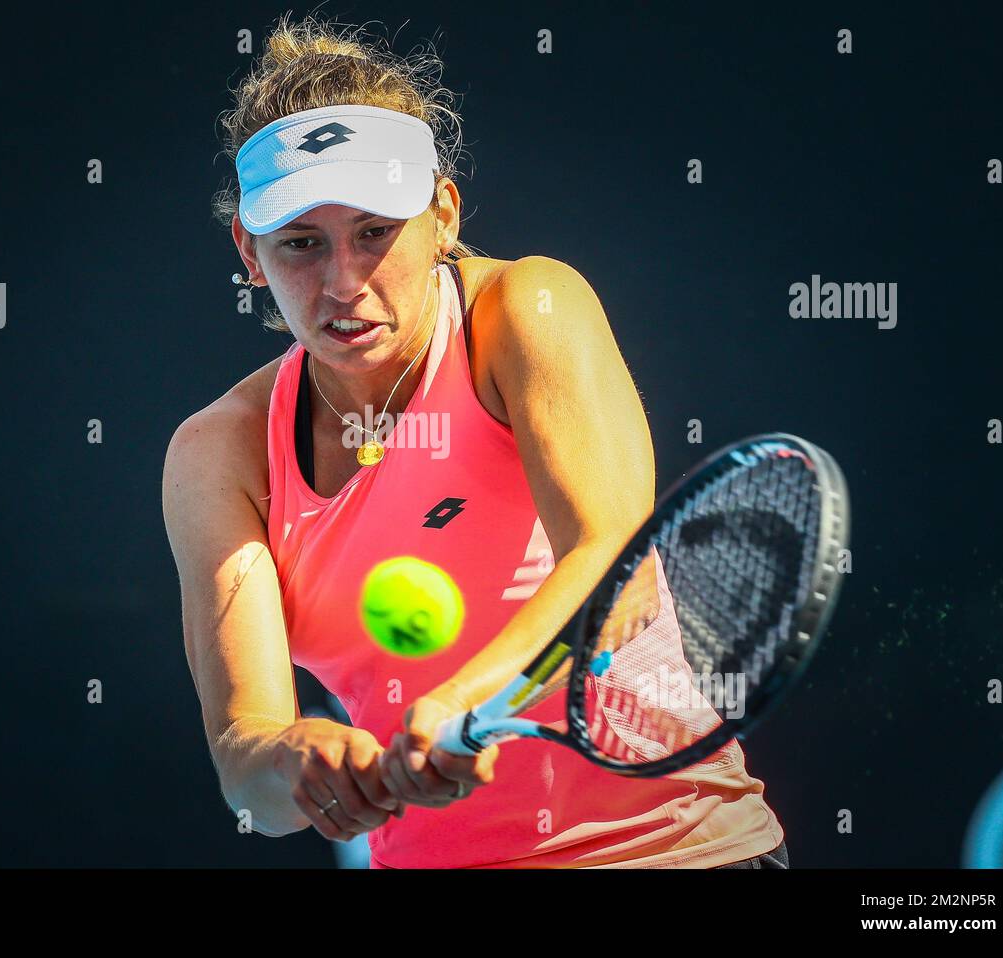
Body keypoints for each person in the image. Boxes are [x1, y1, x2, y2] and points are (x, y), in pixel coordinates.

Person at [163, 14, 788, 868]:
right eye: (302, 244)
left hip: (676, 853)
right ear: (249, 248)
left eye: (376, 232)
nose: (342, 282)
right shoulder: (217, 453)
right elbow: (247, 764)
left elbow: (615, 566)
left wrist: (462, 699)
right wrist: (300, 766)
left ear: (443, 213)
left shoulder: (530, 309)